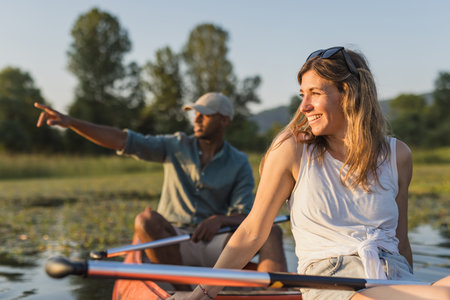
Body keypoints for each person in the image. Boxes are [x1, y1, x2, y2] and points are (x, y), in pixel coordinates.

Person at [172, 48, 450, 300]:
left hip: (394, 277)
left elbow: (401, 243)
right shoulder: (293, 150)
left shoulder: (398, 155)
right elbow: (251, 231)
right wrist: (201, 295)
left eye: (315, 94)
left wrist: (411, 286)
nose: (304, 107)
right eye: (302, 95)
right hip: (333, 282)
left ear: (349, 93)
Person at [34, 92, 287, 289]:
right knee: (145, 220)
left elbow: (246, 214)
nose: (196, 119)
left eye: (205, 114)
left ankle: (277, 293)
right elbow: (122, 140)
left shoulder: (239, 161)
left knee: (272, 232)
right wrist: (71, 122)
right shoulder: (175, 145)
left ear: (224, 120)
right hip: (171, 244)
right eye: (194, 113)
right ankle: (186, 291)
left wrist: (220, 219)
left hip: (217, 246)